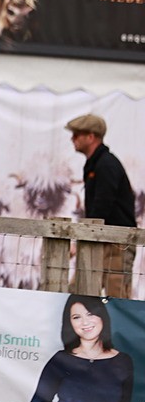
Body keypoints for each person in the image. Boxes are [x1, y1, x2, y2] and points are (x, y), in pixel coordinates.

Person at [66, 113, 137, 298]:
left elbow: (102, 206)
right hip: (101, 238)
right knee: (79, 291)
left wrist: (81, 239)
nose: (72, 139)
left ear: (91, 137)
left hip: (116, 242)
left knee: (117, 297)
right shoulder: (96, 164)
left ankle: (122, 328)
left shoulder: (106, 165)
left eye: (76, 135)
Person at [30, 294, 134, 402]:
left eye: (90, 314)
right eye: (76, 317)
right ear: (69, 323)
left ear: (102, 316)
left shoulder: (123, 361)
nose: (85, 322)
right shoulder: (60, 360)